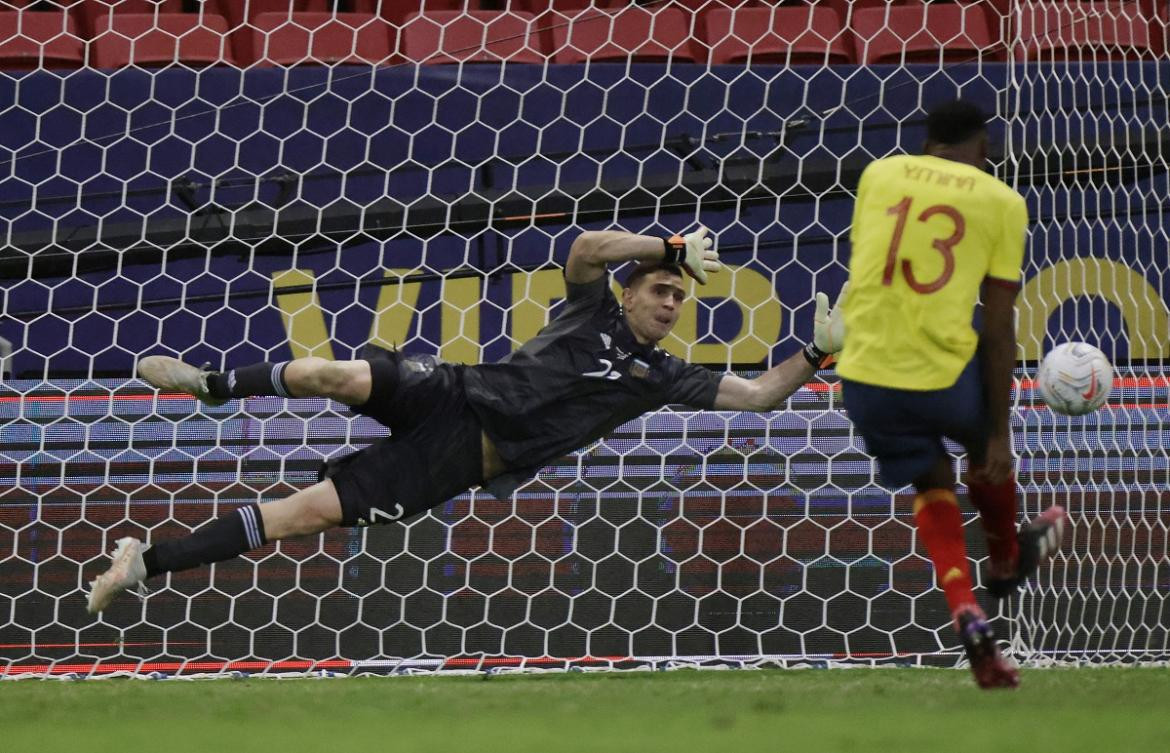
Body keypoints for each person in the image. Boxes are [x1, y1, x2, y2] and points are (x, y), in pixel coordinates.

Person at [87, 227, 847, 614]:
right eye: (660, 289)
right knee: (333, 370)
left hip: (459, 459)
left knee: (301, 515)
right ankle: (218, 384)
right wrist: (669, 244)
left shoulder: (663, 375)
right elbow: (585, 248)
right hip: (452, 391)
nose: (671, 303)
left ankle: (144, 563)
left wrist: (815, 352)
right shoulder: (592, 305)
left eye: (678, 297)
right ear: (634, 288)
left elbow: (756, 396)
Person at [835, 100, 1068, 689]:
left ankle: (967, 611)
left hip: (862, 376)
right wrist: (997, 434)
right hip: (938, 375)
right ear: (984, 148)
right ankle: (1006, 558)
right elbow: (998, 324)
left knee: (931, 479)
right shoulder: (1001, 201)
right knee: (980, 452)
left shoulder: (878, 175)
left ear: (926, 140)